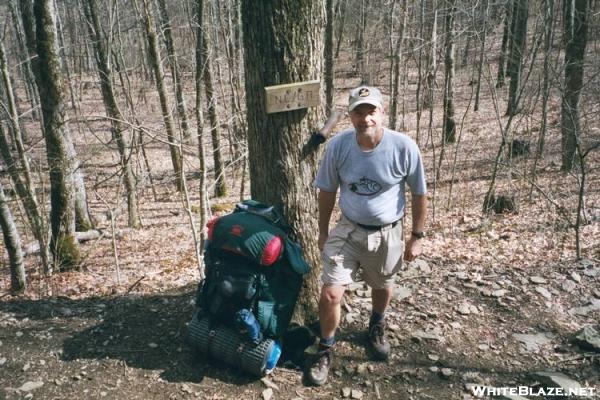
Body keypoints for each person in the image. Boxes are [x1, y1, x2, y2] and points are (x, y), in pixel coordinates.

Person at [307, 86, 427, 386]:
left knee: (383, 283)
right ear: (350, 116)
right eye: (359, 112)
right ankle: (325, 346)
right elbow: (327, 190)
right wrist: (323, 231)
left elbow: (419, 192)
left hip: (388, 232)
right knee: (330, 292)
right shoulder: (338, 147)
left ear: (382, 112)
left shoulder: (404, 147)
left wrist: (417, 236)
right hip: (348, 228)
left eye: (371, 111)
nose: (365, 119)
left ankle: (376, 323)